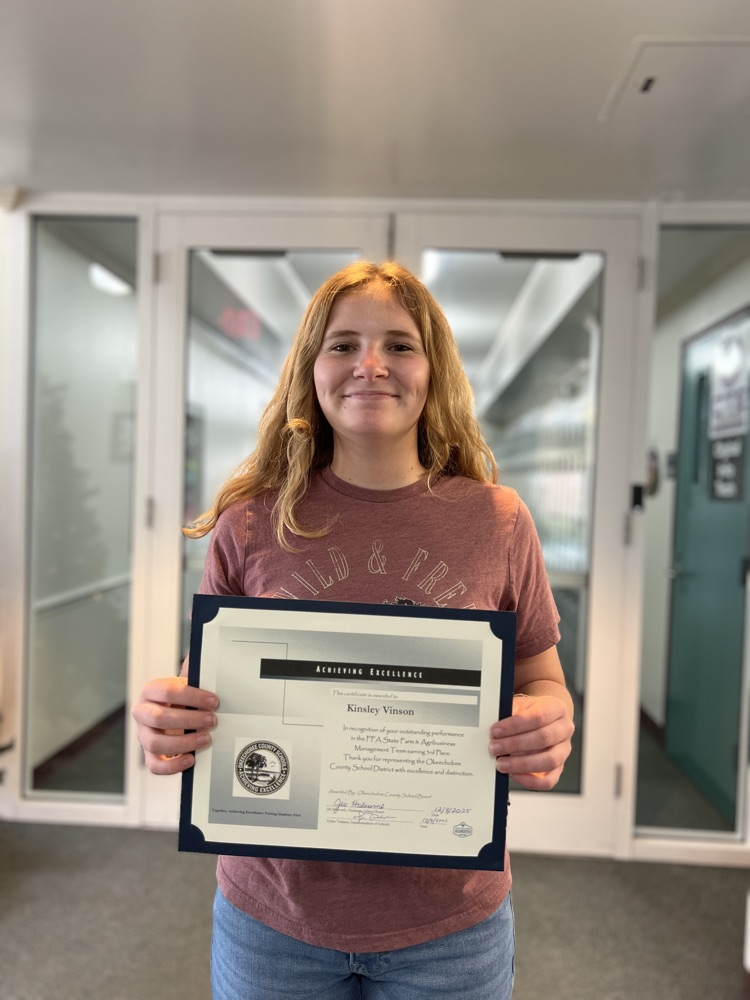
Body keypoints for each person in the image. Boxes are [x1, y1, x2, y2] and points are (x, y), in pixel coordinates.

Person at [133, 261, 575, 1000]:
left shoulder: (496, 520)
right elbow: (203, 679)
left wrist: (548, 722)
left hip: (450, 927)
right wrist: (168, 718)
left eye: (399, 345)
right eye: (343, 345)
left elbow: (542, 679)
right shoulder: (251, 521)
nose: (371, 365)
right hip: (273, 918)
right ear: (311, 369)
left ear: (433, 370)